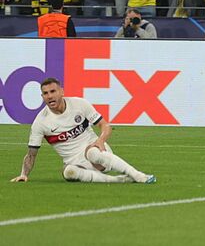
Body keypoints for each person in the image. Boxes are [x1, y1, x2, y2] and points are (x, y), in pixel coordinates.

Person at [11, 78, 155, 184]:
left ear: (61, 91)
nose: (49, 96)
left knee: (92, 153)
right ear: (42, 97)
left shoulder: (79, 104)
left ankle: (139, 176)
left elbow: (105, 126)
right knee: (68, 173)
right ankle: (118, 180)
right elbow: (31, 155)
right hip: (77, 164)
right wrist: (23, 174)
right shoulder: (40, 122)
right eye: (45, 93)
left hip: (98, 155)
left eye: (53, 91)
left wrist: (100, 141)